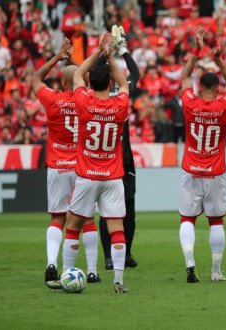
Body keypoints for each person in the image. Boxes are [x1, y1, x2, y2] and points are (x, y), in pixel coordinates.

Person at [61, 33, 131, 293]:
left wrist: (97, 51)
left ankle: (67, 274)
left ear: (91, 84)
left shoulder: (83, 101)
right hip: (113, 177)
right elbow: (124, 83)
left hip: (87, 175)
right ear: (110, 83)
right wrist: (111, 56)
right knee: (116, 228)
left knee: (74, 225)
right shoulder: (119, 103)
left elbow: (78, 73)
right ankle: (119, 280)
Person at [30, 38, 101, 287]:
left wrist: (57, 57)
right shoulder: (88, 99)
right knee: (88, 220)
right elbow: (88, 77)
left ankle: (52, 264)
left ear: (61, 82)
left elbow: (35, 78)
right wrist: (73, 63)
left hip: (57, 167)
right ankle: (92, 270)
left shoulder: (52, 99)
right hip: (82, 168)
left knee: (58, 219)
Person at [178, 28, 226, 283]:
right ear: (217, 87)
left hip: (191, 169)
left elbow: (185, 74)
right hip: (215, 171)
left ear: (199, 86)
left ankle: (190, 261)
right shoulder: (224, 105)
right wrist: (219, 57)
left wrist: (197, 48)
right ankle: (215, 270)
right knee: (216, 221)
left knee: (187, 218)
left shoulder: (190, 102)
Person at [99, 25, 141, 272]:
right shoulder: (122, 96)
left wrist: (102, 54)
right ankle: (120, 254)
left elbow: (77, 75)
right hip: (122, 159)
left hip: (105, 158)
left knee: (110, 211)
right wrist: (122, 50)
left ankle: (114, 255)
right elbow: (134, 72)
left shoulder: (92, 96)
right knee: (127, 209)